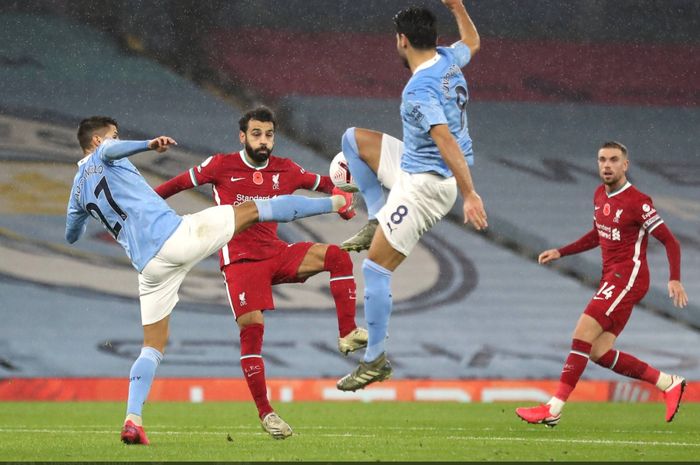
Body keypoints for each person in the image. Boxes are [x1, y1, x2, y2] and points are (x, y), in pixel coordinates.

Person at [65, 116, 354, 445]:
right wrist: (148, 144)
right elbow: (112, 149)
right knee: (257, 209)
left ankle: (133, 420)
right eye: (113, 136)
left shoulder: (77, 188)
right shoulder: (106, 152)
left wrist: (87, 213)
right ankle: (335, 203)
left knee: (152, 346)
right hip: (175, 237)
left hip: (149, 268)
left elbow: (71, 235)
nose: (118, 140)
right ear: (98, 142)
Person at [154, 106, 368, 439]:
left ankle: (347, 332)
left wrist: (346, 196)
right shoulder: (220, 165)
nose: (264, 140)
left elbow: (328, 184)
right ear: (243, 136)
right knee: (252, 328)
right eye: (256, 134)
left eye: (269, 134)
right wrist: (142, 210)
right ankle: (266, 413)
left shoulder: (286, 169)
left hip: (276, 253)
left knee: (338, 257)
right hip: (240, 261)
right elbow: (176, 184)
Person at [336, 0, 488, 392]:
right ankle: (376, 217)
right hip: (411, 165)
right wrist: (457, 6)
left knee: (375, 269)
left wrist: (470, 194)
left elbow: (444, 138)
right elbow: (472, 40)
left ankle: (374, 361)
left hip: (426, 186)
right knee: (352, 139)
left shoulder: (418, 89)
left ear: (402, 40)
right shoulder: (447, 58)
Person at [515, 141, 689, 427]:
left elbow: (670, 240)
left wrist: (674, 278)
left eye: (613, 160)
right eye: (602, 160)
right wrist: (562, 251)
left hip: (628, 277)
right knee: (597, 351)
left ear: (625, 165)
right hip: (612, 277)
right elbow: (599, 234)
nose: (607, 165)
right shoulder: (599, 195)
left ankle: (553, 408)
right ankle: (668, 382)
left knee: (581, 333)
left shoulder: (638, 201)